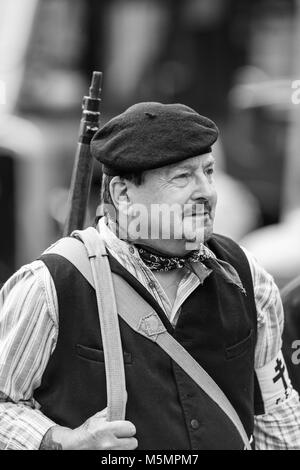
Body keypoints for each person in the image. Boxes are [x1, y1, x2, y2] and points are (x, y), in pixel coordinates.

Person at [1, 102, 300, 450]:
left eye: (208, 171)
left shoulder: (249, 278)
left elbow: (277, 420)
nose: (206, 191)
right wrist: (61, 441)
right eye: (183, 177)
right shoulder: (49, 285)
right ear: (123, 194)